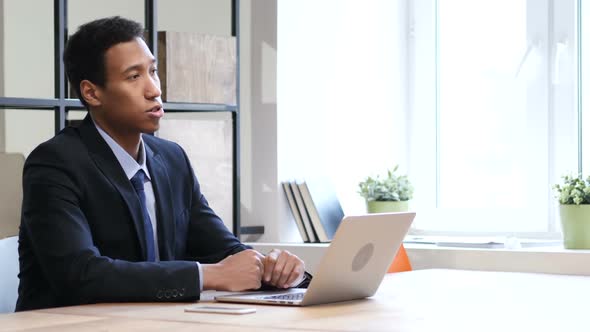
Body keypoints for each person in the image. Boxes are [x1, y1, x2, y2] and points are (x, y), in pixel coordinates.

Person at [16, 16, 309, 311]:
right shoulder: (55, 163)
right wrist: (208, 275)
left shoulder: (171, 159)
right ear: (92, 93)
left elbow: (224, 250)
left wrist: (275, 269)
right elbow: (81, 275)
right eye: (134, 77)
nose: (154, 89)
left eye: (153, 71)